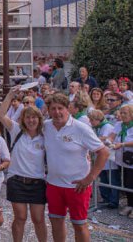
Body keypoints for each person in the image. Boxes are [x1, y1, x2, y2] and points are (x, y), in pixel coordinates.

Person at [44, 93, 108, 242]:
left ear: (68, 109)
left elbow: (103, 152)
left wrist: (89, 178)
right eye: (53, 108)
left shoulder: (81, 128)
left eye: (60, 108)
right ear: (48, 110)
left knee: (79, 224)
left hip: (77, 186)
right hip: (53, 184)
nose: (57, 112)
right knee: (56, 221)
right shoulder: (46, 126)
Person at [0, 87, 47, 242]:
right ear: (22, 119)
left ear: (39, 119)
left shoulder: (44, 135)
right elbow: (0, 115)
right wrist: (10, 95)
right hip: (17, 180)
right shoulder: (16, 130)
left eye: (34, 117)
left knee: (38, 219)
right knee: (20, 217)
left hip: (37, 181)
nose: (31, 120)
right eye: (28, 117)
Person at [87, 110, 120, 209]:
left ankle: (113, 200)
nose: (90, 122)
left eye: (92, 120)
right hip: (100, 158)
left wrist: (95, 139)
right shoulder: (97, 127)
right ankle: (106, 198)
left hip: (109, 158)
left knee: (112, 179)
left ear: (98, 119)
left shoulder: (107, 126)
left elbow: (105, 138)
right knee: (103, 178)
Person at [112, 105, 133, 217]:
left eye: (125, 113)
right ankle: (130, 205)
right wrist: (108, 142)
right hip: (122, 159)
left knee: (131, 183)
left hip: (131, 159)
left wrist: (123, 144)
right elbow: (111, 136)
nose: (122, 115)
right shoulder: (119, 125)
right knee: (126, 183)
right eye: (121, 113)